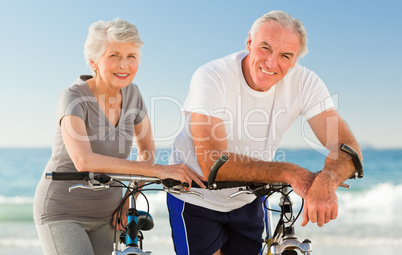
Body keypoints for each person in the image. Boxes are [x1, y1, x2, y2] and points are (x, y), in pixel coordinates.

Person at [167, 10, 362, 255]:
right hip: (195, 198)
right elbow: (213, 163)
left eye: (285, 55)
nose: (271, 62)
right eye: (265, 48)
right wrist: (290, 172)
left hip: (250, 199)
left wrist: (328, 179)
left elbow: (347, 149)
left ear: (294, 61)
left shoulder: (306, 83)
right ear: (249, 42)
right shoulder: (212, 76)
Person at [33, 18, 204, 255]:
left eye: (131, 56)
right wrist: (158, 170)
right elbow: (84, 160)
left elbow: (147, 152)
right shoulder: (72, 97)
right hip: (62, 211)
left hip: (108, 215)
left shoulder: (133, 94)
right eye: (114, 55)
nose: (124, 65)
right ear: (93, 62)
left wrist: (128, 199)